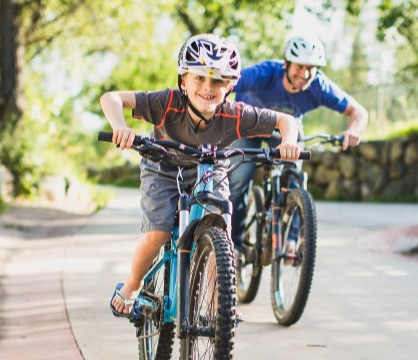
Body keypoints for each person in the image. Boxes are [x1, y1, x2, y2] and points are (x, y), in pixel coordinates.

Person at [101, 33, 301, 318]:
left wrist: (288, 141)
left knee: (219, 230)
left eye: (218, 80)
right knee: (157, 233)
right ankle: (133, 285)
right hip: (163, 167)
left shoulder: (236, 114)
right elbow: (111, 98)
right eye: (199, 78)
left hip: (210, 169)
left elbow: (286, 120)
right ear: (184, 80)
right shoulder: (166, 102)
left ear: (230, 85)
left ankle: (218, 306)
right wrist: (120, 126)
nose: (208, 87)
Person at [228, 34, 369, 257]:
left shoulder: (319, 86)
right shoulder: (265, 74)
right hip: (248, 125)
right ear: (286, 64)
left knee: (294, 174)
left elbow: (359, 112)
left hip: (287, 130)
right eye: (299, 67)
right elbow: (227, 83)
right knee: (240, 177)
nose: (304, 74)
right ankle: (233, 246)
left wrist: (353, 131)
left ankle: (292, 240)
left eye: (311, 69)